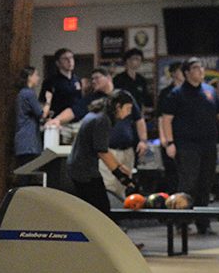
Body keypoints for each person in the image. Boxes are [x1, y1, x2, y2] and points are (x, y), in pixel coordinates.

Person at [160, 57, 219, 234]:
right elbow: (166, 119)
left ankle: (204, 223)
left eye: (201, 67)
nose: (201, 71)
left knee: (206, 183)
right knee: (188, 183)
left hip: (208, 144)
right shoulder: (176, 94)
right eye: (196, 68)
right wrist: (170, 143)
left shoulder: (210, 91)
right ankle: (182, 222)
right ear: (186, 73)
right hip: (186, 145)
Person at [52, 68, 148, 197]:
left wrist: (143, 140)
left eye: (97, 77)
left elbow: (139, 119)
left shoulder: (123, 97)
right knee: (107, 191)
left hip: (124, 150)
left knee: (121, 192)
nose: (93, 81)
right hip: (96, 161)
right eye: (92, 79)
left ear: (108, 78)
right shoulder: (101, 115)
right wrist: (57, 120)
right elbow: (102, 151)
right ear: (117, 107)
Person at [66, 91, 136, 215]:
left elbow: (103, 148)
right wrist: (121, 176)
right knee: (101, 209)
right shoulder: (103, 120)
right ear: (118, 106)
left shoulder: (97, 115)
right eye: (128, 108)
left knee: (92, 207)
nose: (129, 112)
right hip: (85, 170)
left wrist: (119, 166)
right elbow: (102, 152)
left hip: (79, 167)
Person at [40, 48, 81, 141]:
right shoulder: (50, 81)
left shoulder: (77, 80)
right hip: (59, 122)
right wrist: (47, 118)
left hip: (76, 121)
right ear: (58, 63)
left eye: (71, 58)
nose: (69, 61)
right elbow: (44, 102)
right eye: (65, 59)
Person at [156, 62, 185, 194]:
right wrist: (164, 137)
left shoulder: (189, 91)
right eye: (179, 71)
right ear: (173, 74)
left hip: (185, 136)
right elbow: (161, 117)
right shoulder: (166, 93)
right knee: (172, 171)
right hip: (169, 135)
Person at [14, 67, 50, 168]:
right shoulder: (29, 93)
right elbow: (42, 114)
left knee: (24, 172)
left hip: (22, 141)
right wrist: (48, 101)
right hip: (29, 141)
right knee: (28, 172)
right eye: (36, 75)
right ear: (30, 77)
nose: (38, 78)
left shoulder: (21, 93)